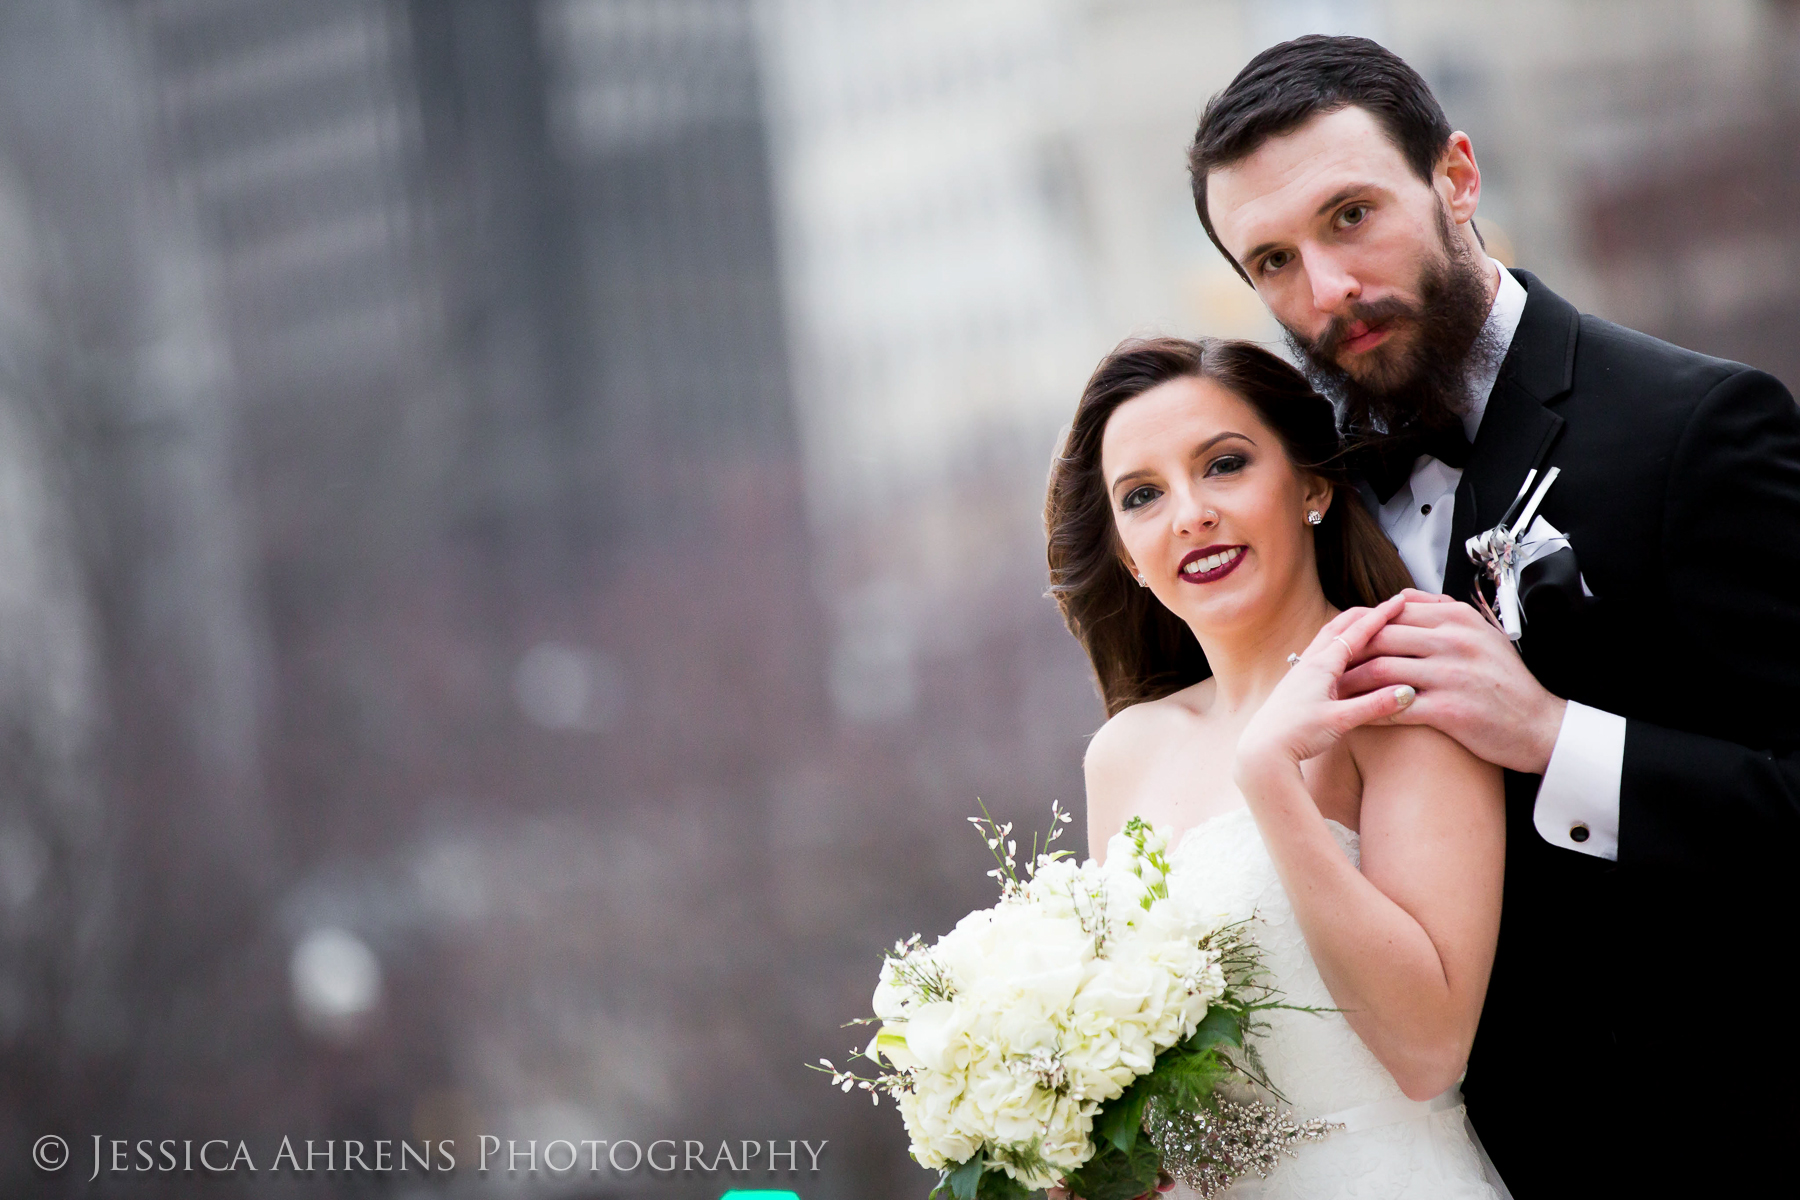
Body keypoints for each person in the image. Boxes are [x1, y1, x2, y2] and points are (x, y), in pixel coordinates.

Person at [1186, 34, 1800, 1196]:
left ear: (1457, 177)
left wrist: (1553, 736)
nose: (1323, 290)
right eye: (1271, 259)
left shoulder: (1700, 428)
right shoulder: (1289, 495)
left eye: (1351, 216)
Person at [1047, 335, 1509, 1198]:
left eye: (1223, 465)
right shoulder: (1124, 753)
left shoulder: (1403, 693)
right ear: (1125, 557)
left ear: (1311, 487)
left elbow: (1428, 1050)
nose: (1190, 513)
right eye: (1143, 495)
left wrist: (1270, 780)